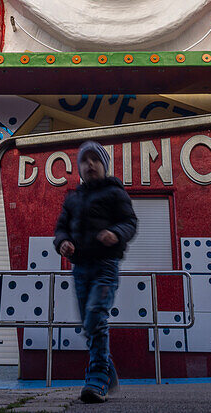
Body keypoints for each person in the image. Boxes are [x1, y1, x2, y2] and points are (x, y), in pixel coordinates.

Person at [54, 141, 138, 404]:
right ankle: (107, 372)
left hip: (105, 267)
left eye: (95, 160)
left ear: (104, 165)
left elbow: (130, 222)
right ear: (79, 167)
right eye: (84, 160)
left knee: (94, 316)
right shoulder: (73, 198)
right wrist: (62, 243)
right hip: (80, 269)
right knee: (89, 324)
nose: (90, 164)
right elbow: (61, 228)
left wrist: (116, 233)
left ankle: (98, 376)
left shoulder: (115, 193)